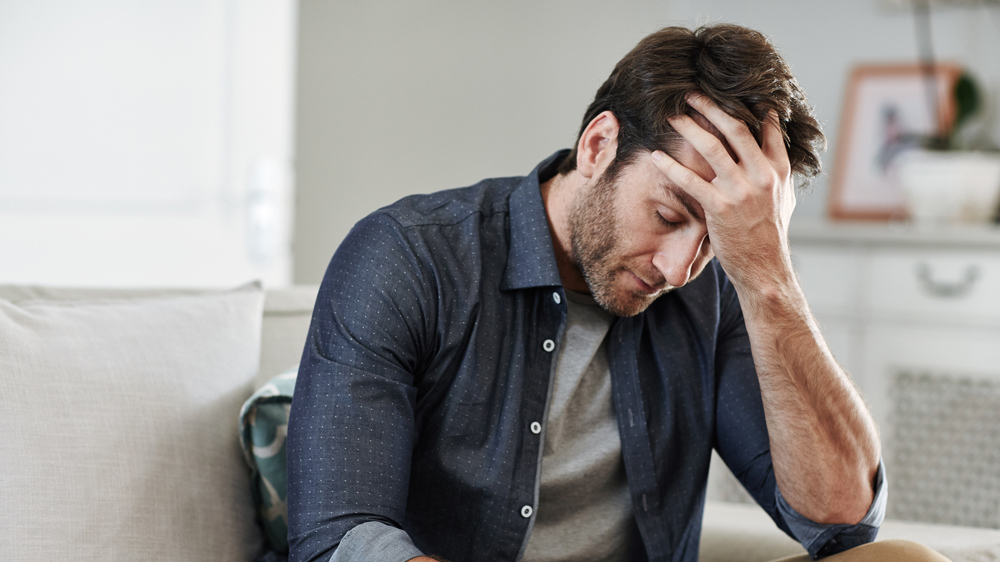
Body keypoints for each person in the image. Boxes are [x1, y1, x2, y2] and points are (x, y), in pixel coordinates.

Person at [286, 24, 947, 562]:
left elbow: (839, 526)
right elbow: (338, 539)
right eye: (668, 215)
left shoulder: (717, 291)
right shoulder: (408, 257)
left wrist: (767, 275)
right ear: (599, 145)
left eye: (717, 238)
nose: (680, 266)